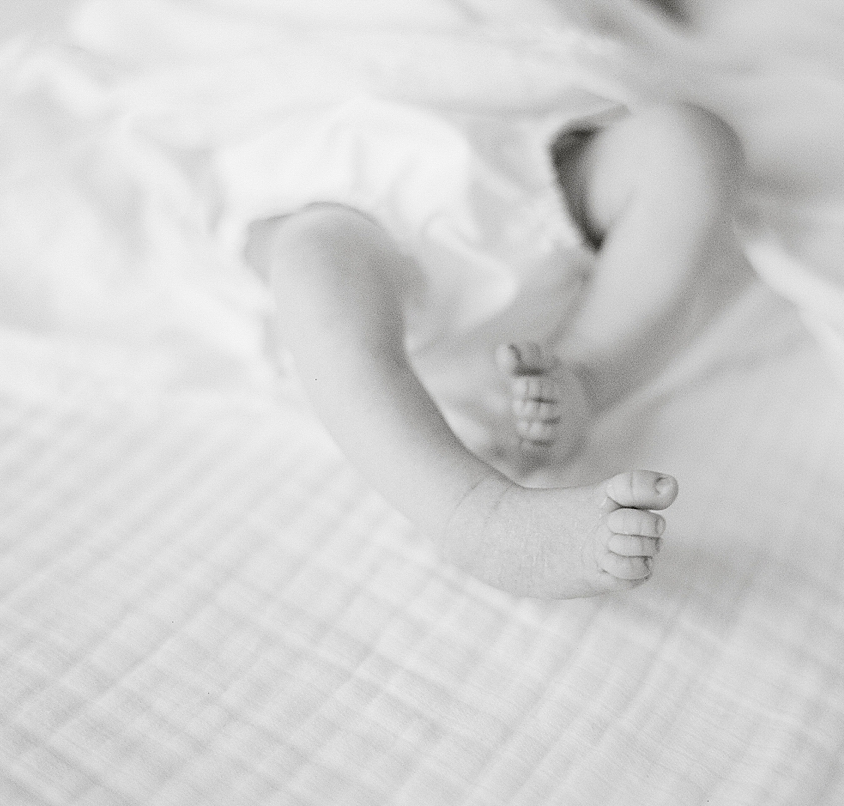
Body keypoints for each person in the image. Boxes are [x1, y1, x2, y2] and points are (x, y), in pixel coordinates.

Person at [241, 48, 750, 600]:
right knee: (315, 265)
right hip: (340, 166)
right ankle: (472, 515)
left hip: (519, 145)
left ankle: (584, 372)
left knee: (692, 146)